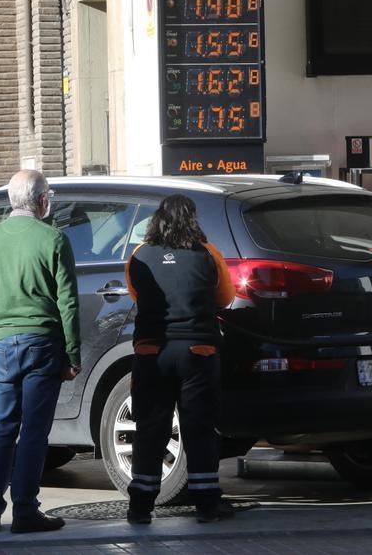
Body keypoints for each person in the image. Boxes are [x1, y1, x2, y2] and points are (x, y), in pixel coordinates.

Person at [0, 169, 81, 534]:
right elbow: (67, 302)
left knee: (1, 427)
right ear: (41, 200)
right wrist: (72, 354)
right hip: (43, 344)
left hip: (4, 345)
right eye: (49, 195)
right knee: (33, 431)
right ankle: (25, 510)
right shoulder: (53, 239)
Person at [124, 194, 236, 524]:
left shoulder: (139, 255)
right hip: (197, 352)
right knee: (199, 428)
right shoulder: (208, 253)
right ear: (193, 219)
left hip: (151, 352)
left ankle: (140, 506)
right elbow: (225, 297)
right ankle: (206, 503)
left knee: (150, 428)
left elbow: (137, 295)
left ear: (157, 218)